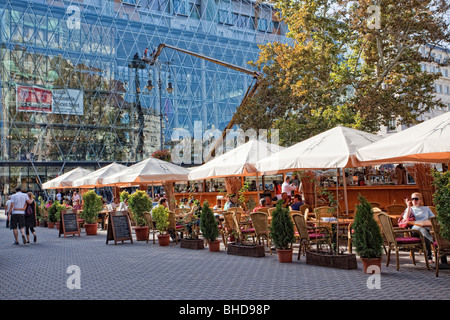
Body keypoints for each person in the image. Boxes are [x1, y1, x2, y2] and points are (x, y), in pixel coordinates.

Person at [403, 192, 434, 263]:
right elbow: (405, 218)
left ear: (420, 200)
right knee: (423, 231)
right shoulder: (410, 209)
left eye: (416, 199)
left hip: (425, 229)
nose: (414, 201)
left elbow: (433, 218)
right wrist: (408, 206)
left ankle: (429, 257)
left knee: (425, 233)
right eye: (412, 199)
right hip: (414, 230)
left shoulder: (426, 209)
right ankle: (430, 254)